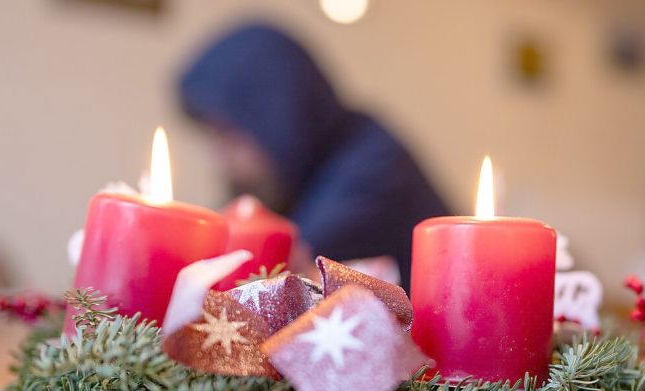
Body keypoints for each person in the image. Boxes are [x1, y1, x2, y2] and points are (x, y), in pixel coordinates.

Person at [178, 24, 449, 290]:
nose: (219, 160)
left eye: (229, 135)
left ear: (278, 118)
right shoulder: (305, 169)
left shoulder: (375, 173)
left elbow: (265, 278)